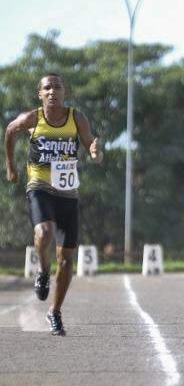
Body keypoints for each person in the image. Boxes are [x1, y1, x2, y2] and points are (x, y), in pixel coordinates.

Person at [4, 73, 103, 336]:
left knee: (67, 260)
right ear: (40, 94)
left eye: (57, 87)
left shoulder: (76, 118)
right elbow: (9, 131)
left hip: (68, 193)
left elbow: (92, 145)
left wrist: (95, 152)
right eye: (47, 88)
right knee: (44, 232)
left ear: (64, 92)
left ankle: (54, 312)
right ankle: (43, 271)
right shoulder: (33, 119)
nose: (52, 91)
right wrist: (11, 167)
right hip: (39, 186)